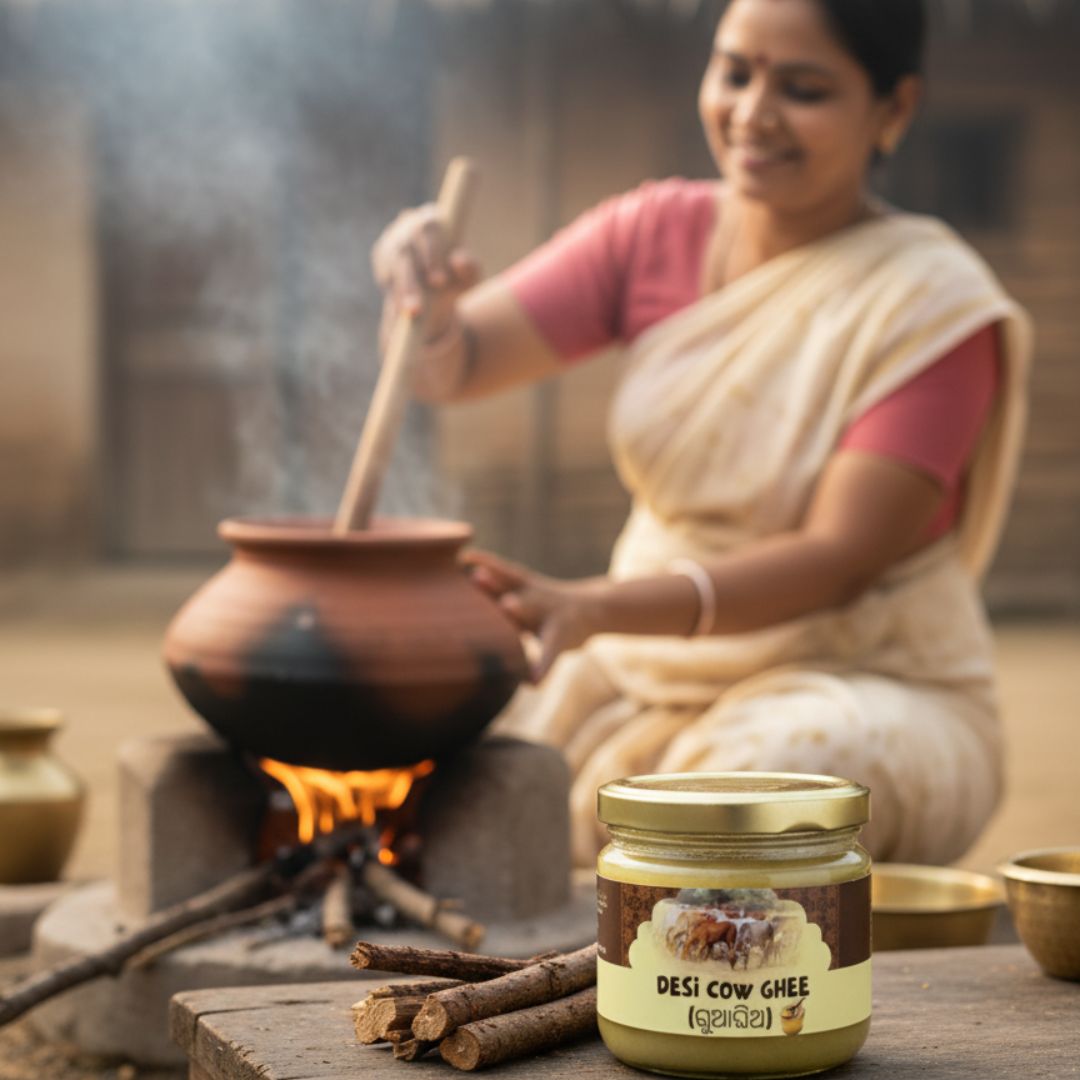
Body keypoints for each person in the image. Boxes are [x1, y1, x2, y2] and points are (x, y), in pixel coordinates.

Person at [372, 0, 1032, 868]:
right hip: (635, 666)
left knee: (760, 798)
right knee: (438, 785)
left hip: (860, 681)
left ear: (894, 109)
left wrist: (593, 608)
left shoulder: (932, 305)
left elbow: (839, 559)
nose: (752, 113)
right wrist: (423, 299)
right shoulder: (652, 232)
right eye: (734, 72)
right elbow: (446, 369)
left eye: (802, 88)